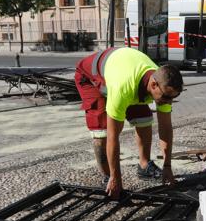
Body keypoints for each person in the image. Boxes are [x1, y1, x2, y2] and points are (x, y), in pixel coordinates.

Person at [74, 46, 184, 198]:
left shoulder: (163, 85)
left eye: (173, 98)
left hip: (123, 69)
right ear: (153, 85)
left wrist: (167, 166)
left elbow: (165, 128)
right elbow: (113, 136)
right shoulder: (123, 89)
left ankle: (144, 166)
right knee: (102, 130)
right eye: (166, 97)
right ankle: (108, 177)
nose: (169, 102)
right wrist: (116, 177)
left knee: (144, 120)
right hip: (90, 76)